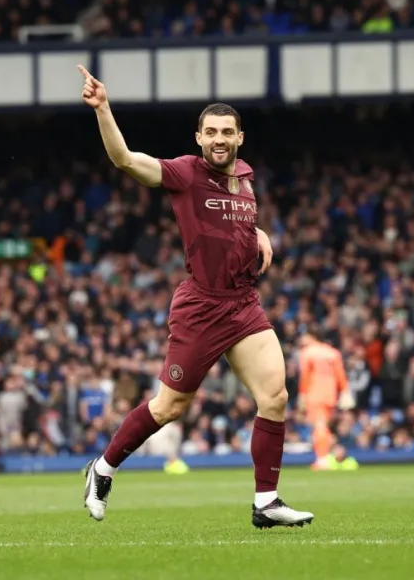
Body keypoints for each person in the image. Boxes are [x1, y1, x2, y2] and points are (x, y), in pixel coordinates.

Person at [76, 65, 314, 528]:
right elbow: (125, 159)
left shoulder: (245, 177)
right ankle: (102, 469)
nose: (219, 138)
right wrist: (103, 108)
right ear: (199, 137)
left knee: (276, 397)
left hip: (244, 304)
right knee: (170, 407)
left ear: (240, 137)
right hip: (202, 306)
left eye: (227, 131)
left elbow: (234, 222)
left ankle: (266, 503)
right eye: (211, 132)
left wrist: (258, 232)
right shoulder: (185, 173)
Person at [297, 332, 355, 469]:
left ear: (312, 337)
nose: (301, 340)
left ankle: (322, 459)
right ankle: (328, 455)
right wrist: (345, 391)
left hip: (314, 393)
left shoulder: (308, 352)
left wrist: (302, 394)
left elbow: (305, 375)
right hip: (330, 395)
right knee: (324, 427)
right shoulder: (333, 353)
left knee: (319, 427)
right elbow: (340, 373)